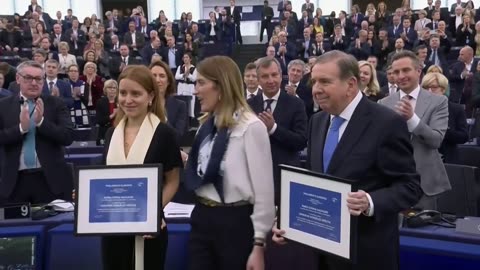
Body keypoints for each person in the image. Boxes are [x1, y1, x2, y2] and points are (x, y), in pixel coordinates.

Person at [272, 50, 422, 270]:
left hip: (367, 255)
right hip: (322, 253)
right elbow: (317, 181)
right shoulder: (317, 121)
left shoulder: (386, 123)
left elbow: (410, 187)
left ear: (351, 84)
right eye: (314, 81)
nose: (315, 89)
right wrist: (289, 222)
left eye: (324, 81)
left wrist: (370, 202)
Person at [184, 55, 275, 270]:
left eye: (201, 83)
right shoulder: (206, 126)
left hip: (236, 224)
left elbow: (264, 193)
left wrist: (259, 244)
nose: (195, 90)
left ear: (221, 86)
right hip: (202, 217)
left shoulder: (251, 127)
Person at [102, 65, 182, 270]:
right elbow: (106, 181)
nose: (127, 100)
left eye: (136, 94)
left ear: (151, 96)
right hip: (113, 228)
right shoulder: (112, 134)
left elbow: (172, 181)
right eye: (123, 93)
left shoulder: (165, 134)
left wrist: (153, 213)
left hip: (150, 228)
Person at [379, 50, 450, 210]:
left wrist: (412, 119)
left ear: (418, 71)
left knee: (425, 232)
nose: (401, 76)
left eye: (406, 70)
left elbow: (436, 140)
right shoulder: (383, 103)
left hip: (425, 184)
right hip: (392, 182)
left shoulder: (438, 102)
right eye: (396, 72)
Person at [0, 61, 74, 205]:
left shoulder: (56, 103)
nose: (34, 83)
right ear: (17, 79)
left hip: (50, 181)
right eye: (28, 78)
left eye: (39, 79)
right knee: (15, 227)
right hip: (13, 182)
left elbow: (68, 136)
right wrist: (21, 128)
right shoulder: (2, 106)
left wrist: (41, 123)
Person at [422, 72, 469, 162]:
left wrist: (442, 131)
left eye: (434, 87)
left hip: (448, 159)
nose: (429, 91)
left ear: (443, 89)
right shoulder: (417, 108)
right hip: (424, 160)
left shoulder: (456, 109)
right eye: (425, 88)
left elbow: (464, 136)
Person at [149, 60, 188, 140]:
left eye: (162, 76)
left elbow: (177, 136)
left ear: (168, 81)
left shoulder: (180, 105)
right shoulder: (141, 103)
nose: (157, 80)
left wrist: (161, 115)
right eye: (154, 76)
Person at [95, 79, 118, 145]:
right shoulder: (100, 102)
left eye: (114, 88)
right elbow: (99, 120)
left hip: (118, 131)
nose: (112, 89)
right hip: (105, 132)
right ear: (105, 89)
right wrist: (112, 115)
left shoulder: (120, 101)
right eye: (110, 87)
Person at [175, 53, 197, 118]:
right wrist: (183, 75)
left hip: (190, 87)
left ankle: (190, 118)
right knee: (181, 101)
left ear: (190, 59)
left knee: (190, 103)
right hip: (181, 86)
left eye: (187, 57)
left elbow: (194, 78)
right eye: (184, 57)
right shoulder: (180, 67)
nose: (185, 59)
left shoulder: (194, 68)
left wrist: (188, 75)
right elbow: (176, 76)